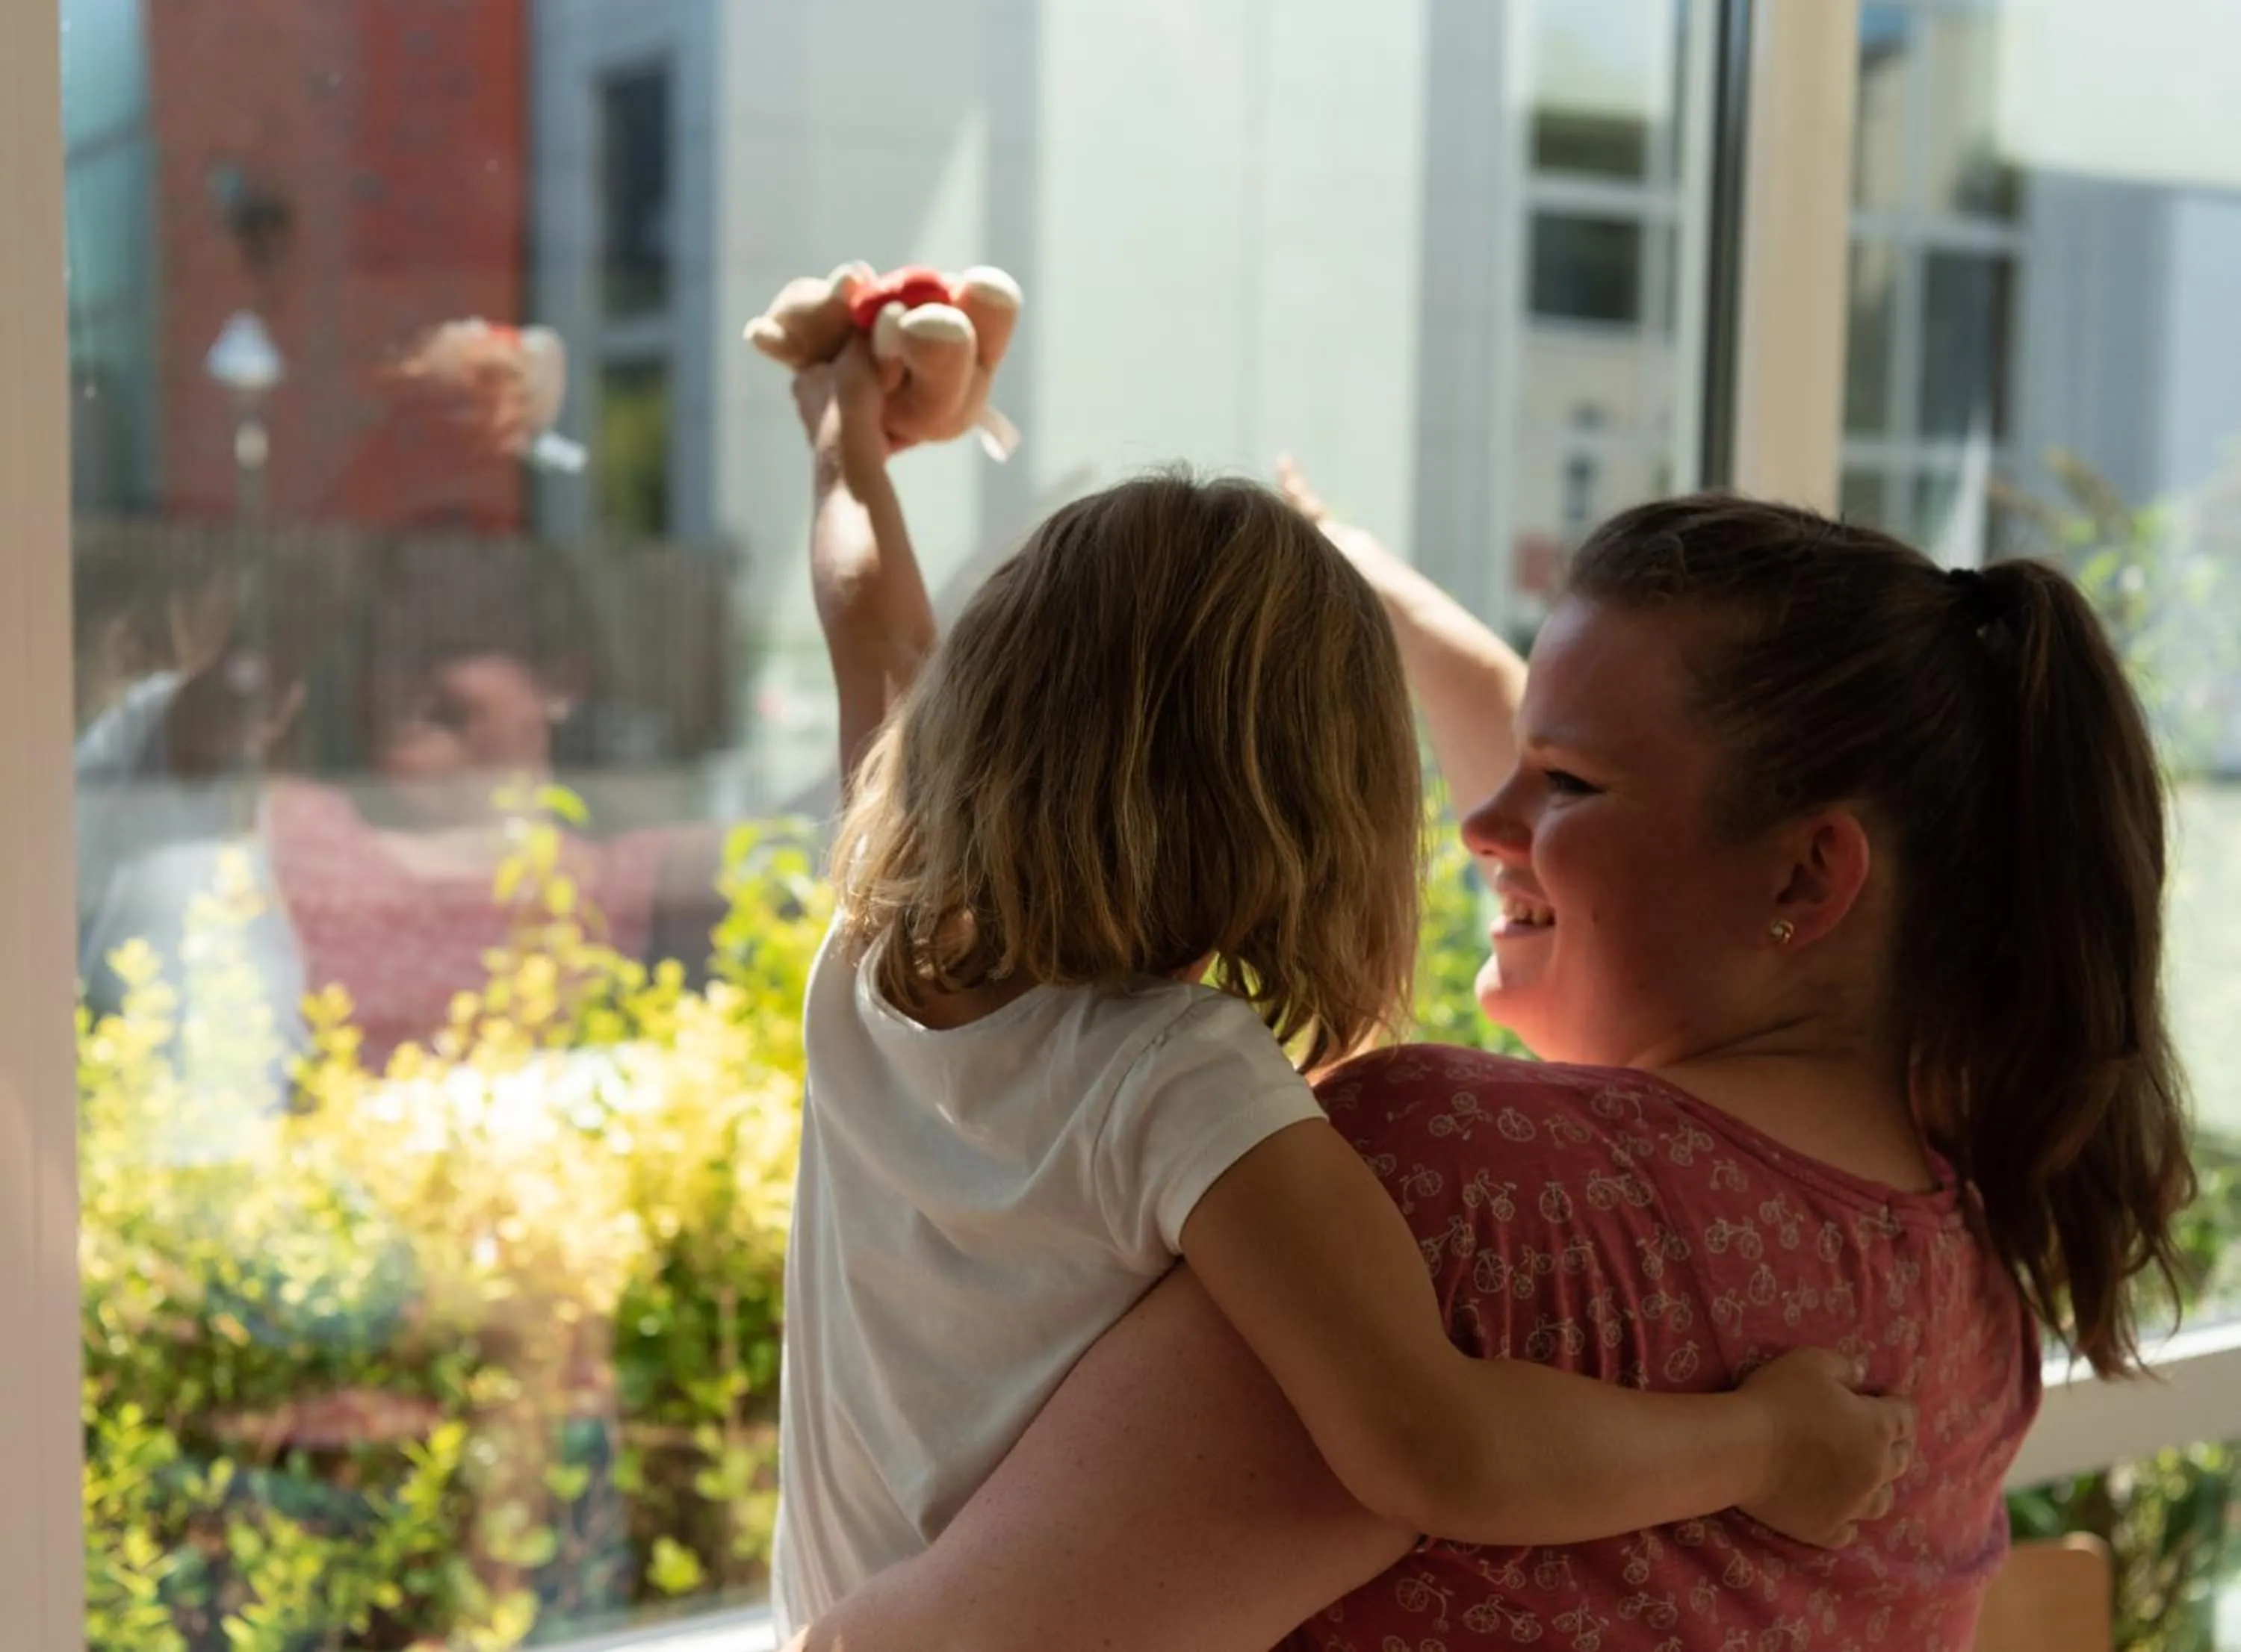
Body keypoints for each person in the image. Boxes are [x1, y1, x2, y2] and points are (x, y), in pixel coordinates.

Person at [784, 488, 2192, 1651]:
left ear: (1810, 874)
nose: (1475, 824)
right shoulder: (1973, 1288)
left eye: (1565, 782)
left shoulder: (1451, 1188)